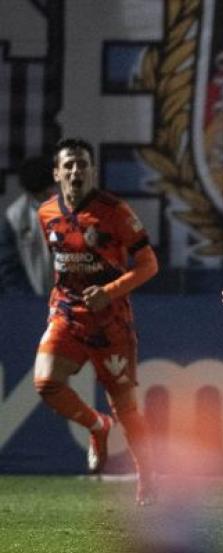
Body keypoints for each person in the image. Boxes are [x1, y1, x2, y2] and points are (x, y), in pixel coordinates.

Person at [33, 138, 157, 503]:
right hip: (67, 314)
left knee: (125, 406)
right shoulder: (46, 213)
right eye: (68, 165)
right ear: (57, 172)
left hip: (111, 321)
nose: (76, 171)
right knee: (46, 383)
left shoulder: (115, 211)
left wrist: (111, 290)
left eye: (82, 164)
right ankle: (97, 425)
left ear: (92, 170)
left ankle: (148, 478)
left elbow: (149, 264)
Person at [1, 156, 55, 295]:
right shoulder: (15, 216)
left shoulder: (68, 211)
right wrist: (25, 297)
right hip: (29, 301)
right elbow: (9, 266)